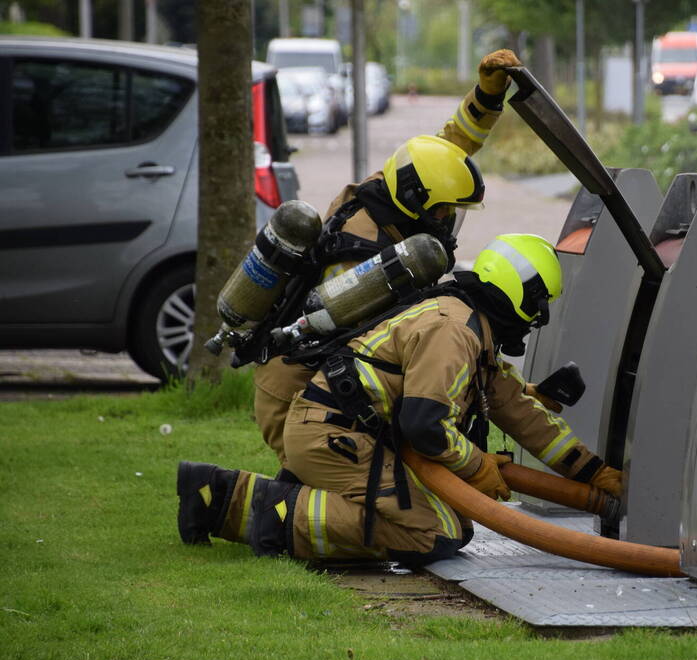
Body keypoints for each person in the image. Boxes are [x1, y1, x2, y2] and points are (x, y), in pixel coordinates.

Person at [177, 234, 624, 566]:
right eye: (539, 300)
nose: (541, 315)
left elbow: (522, 414)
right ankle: (266, 513)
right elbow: (424, 425)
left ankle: (219, 495)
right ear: (517, 290)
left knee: (452, 526)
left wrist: (593, 472)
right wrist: (477, 466)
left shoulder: (473, 329)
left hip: (338, 434)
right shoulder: (453, 330)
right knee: (435, 533)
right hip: (335, 436)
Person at [253, 49, 526, 466]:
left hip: (308, 374)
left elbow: (448, 149)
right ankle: (226, 503)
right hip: (294, 384)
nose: (447, 218)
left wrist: (486, 96)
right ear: (417, 201)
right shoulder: (365, 257)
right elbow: (376, 345)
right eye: (443, 210)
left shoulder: (393, 189)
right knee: (344, 491)